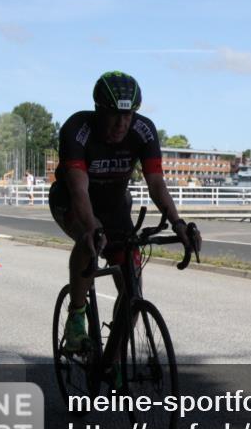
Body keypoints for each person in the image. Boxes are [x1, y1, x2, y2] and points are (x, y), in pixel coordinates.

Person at [49, 71, 200, 352]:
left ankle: (114, 360)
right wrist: (92, 227)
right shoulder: (77, 129)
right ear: (98, 110)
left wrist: (178, 223)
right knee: (89, 240)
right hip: (71, 201)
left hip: (115, 206)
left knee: (132, 290)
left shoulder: (143, 130)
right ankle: (76, 317)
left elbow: (156, 184)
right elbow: (79, 189)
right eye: (114, 115)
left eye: (128, 114)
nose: (122, 123)